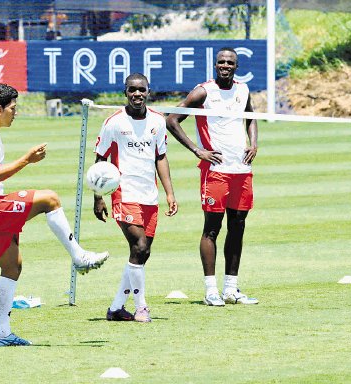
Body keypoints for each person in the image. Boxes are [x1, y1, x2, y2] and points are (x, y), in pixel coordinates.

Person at [0, 83, 109, 347]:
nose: (15, 113)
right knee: (50, 199)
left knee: (12, 266)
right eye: (13, 108)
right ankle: (79, 257)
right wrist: (27, 159)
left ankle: (2, 334)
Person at [165, 47, 259, 307]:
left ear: (236, 67)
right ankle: (211, 291)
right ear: (215, 65)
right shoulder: (203, 92)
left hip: (241, 169)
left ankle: (231, 288)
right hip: (216, 171)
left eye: (230, 62)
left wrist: (253, 143)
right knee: (212, 228)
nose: (225, 66)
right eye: (221, 62)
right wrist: (198, 150)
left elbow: (251, 118)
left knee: (238, 226)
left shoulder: (243, 90)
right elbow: (171, 120)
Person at [93, 73, 178, 322]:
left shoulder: (158, 121)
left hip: (149, 196)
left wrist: (169, 193)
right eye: (132, 90)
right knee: (139, 247)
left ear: (148, 91)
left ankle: (116, 308)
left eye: (141, 90)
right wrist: (98, 197)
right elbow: (100, 159)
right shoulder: (114, 123)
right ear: (125, 92)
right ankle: (141, 307)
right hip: (123, 194)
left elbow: (160, 157)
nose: (137, 94)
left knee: (142, 254)